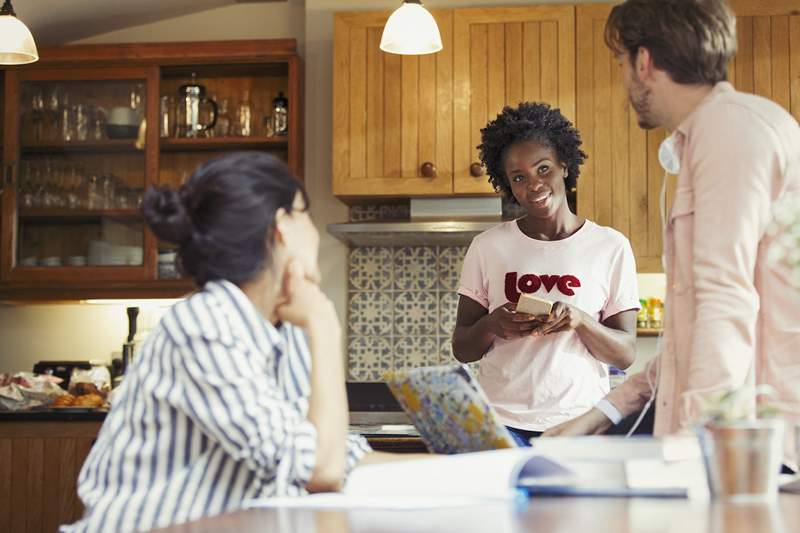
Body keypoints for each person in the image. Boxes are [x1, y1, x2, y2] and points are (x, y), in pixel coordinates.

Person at [62, 152, 386, 532]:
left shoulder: (285, 329)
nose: (315, 231)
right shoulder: (205, 324)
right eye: (307, 214)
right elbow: (322, 469)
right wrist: (324, 323)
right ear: (282, 227)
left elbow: (337, 454)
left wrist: (463, 472)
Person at [543, 0, 800, 471]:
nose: (624, 81)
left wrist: (693, 451)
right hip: (742, 441)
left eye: (621, 63)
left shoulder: (730, 130)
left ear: (643, 62)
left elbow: (727, 300)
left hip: (755, 445)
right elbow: (688, 337)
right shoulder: (718, 131)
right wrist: (601, 414)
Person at [452, 102, 641, 447]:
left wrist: (580, 320)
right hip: (500, 423)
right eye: (519, 177)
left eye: (543, 169)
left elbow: (626, 353)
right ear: (508, 184)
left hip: (579, 424)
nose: (534, 185)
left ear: (564, 166)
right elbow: (462, 347)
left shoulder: (610, 246)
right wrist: (494, 324)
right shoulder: (487, 246)